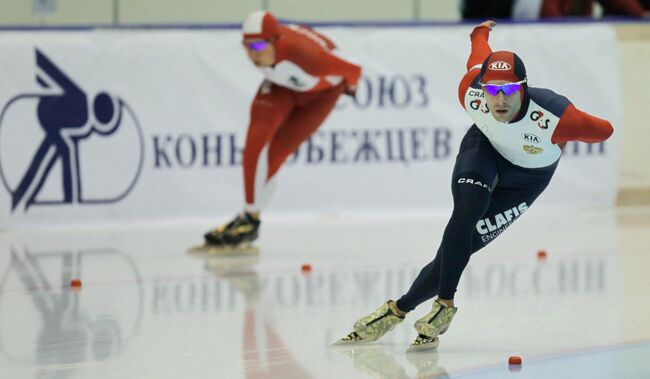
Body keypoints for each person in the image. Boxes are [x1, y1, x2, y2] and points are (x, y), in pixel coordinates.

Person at [335, 20, 613, 352]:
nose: (499, 99)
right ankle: (445, 304)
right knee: (466, 212)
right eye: (491, 90)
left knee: (460, 248)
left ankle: (397, 310)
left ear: (523, 88)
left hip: (527, 180)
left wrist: (565, 137)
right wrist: (480, 32)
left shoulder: (555, 115)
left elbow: (604, 130)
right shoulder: (471, 89)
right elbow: (477, 52)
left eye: (508, 91)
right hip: (484, 151)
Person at [203, 11, 361, 248]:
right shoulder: (265, 52)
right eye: (245, 46)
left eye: (257, 45)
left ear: (275, 41)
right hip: (282, 87)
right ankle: (249, 218)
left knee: (276, 154)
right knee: (255, 143)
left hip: (321, 96)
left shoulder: (310, 58)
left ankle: (249, 219)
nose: (251, 53)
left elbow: (354, 70)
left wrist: (350, 89)